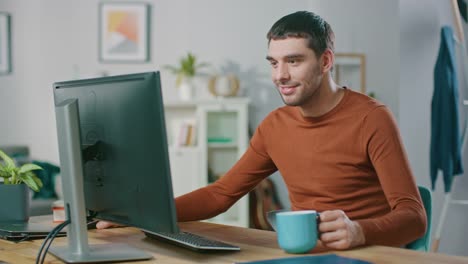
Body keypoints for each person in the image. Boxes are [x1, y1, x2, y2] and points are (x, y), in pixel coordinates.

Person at [98, 10, 426, 250]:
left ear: (326, 62)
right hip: (305, 256)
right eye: (273, 62)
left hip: (369, 254)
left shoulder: (372, 118)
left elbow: (414, 216)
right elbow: (221, 194)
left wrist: (360, 231)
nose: (279, 75)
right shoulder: (274, 126)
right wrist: (142, 214)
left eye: (293, 61)